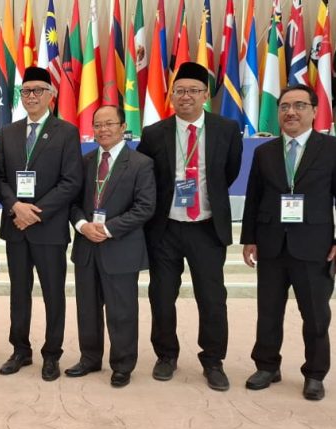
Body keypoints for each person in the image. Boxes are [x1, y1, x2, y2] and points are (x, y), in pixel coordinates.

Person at [136, 62, 242, 391]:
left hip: (206, 228)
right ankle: (166, 355)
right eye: (179, 90)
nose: (186, 96)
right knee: (161, 296)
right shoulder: (154, 133)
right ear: (171, 95)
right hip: (165, 229)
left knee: (212, 299)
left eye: (194, 90)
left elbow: (229, 172)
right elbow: (146, 177)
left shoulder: (226, 129)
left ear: (205, 95)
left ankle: (213, 360)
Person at [241, 84, 336, 401]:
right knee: (268, 312)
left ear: (314, 110)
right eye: (284, 106)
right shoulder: (263, 151)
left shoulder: (331, 148)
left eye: (299, 105)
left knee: (316, 315)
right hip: (271, 244)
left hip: (314, 246)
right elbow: (254, 198)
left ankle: (315, 374)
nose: (291, 112)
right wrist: (249, 238)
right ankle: (267, 366)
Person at [0, 66, 82, 381]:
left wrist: (35, 211)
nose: (31, 96)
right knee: (19, 294)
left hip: (49, 228)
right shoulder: (8, 132)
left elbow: (71, 182)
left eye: (37, 90)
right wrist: (15, 207)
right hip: (16, 227)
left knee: (53, 295)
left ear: (51, 95)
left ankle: (51, 354)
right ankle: (20, 350)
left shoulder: (66, 132)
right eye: (25, 91)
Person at [64, 105, 155, 388]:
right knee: (87, 309)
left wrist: (107, 229)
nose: (103, 130)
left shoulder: (140, 163)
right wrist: (83, 226)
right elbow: (72, 203)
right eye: (97, 125)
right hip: (86, 246)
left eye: (109, 124)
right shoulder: (85, 161)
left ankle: (123, 364)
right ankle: (90, 358)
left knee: (121, 311)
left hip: (120, 247)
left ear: (123, 127)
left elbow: (145, 207)